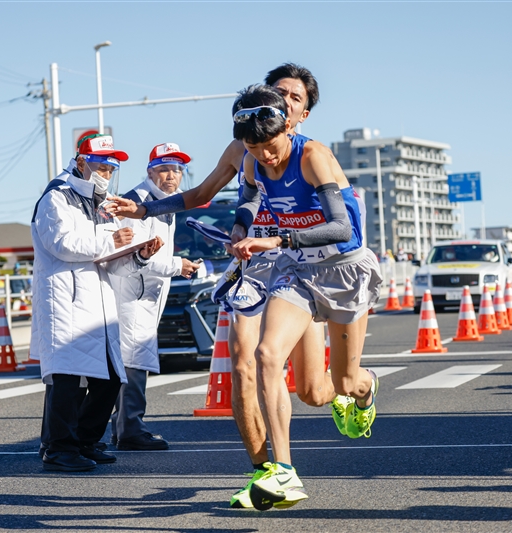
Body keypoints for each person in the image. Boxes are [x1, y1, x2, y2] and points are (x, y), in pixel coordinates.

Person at [108, 64, 334, 508]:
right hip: (255, 265)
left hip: (303, 266)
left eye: (295, 98)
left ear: (302, 114)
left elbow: (340, 223)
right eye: (279, 92)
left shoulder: (312, 155)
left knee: (313, 390)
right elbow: (201, 194)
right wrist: (143, 211)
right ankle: (268, 474)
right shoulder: (244, 147)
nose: (286, 101)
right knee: (246, 363)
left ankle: (353, 386)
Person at [228, 85, 382, 510]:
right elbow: (251, 195)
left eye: (271, 146)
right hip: (297, 270)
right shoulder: (253, 159)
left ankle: (365, 389)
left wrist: (274, 238)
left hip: (344, 269)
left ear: (288, 127)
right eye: (253, 147)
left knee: (339, 385)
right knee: (266, 354)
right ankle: (285, 472)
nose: (265, 156)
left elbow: (341, 228)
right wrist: (243, 228)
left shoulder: (312, 156)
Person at [31, 134, 163, 472]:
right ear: (80, 163)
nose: (105, 173)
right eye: (99, 165)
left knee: (111, 380)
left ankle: (86, 441)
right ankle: (60, 448)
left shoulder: (102, 206)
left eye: (110, 167)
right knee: (67, 380)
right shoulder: (56, 197)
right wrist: (110, 240)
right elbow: (62, 244)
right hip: (66, 301)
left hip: (98, 303)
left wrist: (139, 255)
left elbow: (111, 259)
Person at [109, 143, 201, 451]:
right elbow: (136, 252)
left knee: (132, 360)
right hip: (132, 292)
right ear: (150, 171)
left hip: (146, 293)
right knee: (133, 361)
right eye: (164, 169)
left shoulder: (165, 203)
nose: (171, 175)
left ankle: (122, 427)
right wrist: (179, 265)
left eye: (177, 169)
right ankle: (130, 429)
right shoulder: (136, 202)